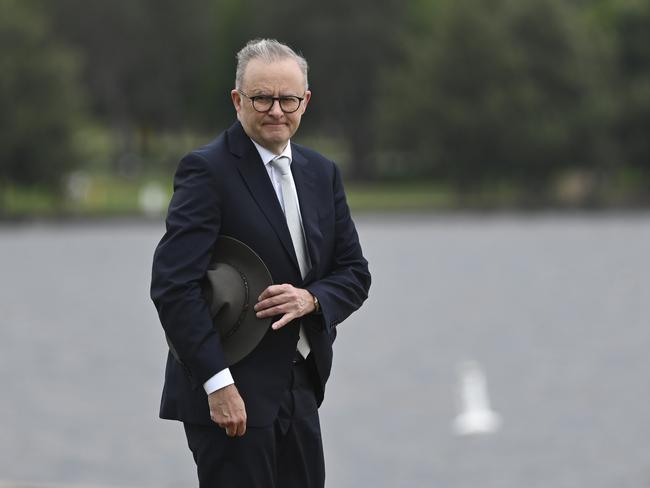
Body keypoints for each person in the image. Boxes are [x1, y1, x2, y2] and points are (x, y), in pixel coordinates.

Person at [150, 38, 371, 487]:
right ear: (238, 100)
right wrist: (218, 385)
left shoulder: (322, 172)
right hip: (230, 393)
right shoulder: (206, 171)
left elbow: (354, 272)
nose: (276, 110)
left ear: (305, 101)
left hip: (301, 387)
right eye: (262, 98)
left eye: (287, 98)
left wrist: (312, 299)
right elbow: (173, 288)